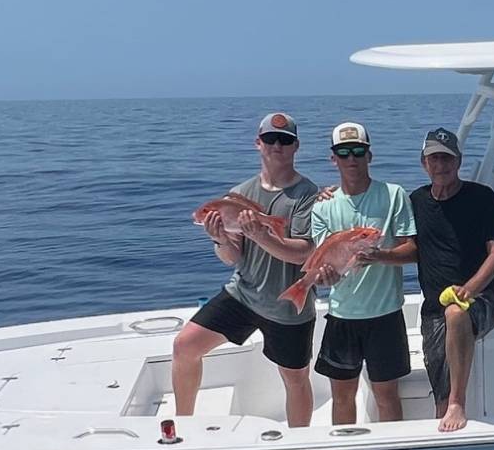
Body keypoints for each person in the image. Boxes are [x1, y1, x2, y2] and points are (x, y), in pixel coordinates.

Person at [172, 112, 320, 428]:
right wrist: (219, 238)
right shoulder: (238, 194)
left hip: (288, 305)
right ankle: (183, 425)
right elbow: (232, 258)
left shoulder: (307, 195)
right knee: (184, 346)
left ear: (296, 147)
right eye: (270, 139)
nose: (277, 145)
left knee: (295, 377)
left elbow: (303, 253)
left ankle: (298, 442)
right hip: (243, 294)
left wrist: (262, 235)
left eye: (285, 140)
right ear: (258, 144)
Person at [309, 121, 416, 425]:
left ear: (370, 155)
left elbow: (413, 251)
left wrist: (381, 256)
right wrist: (324, 277)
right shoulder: (322, 207)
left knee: (387, 396)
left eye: (358, 151)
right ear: (333, 159)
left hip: (386, 316)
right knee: (342, 397)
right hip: (342, 316)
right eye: (344, 153)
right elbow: (324, 261)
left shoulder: (394, 195)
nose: (351, 158)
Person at [407, 127, 494, 432]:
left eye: (447, 158)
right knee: (439, 390)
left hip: (482, 299)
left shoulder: (482, 197)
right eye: (434, 158)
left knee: (456, 312)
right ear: (424, 163)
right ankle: (446, 413)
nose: (441, 165)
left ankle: (458, 403)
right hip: (433, 307)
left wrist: (470, 289)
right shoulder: (417, 201)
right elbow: (410, 249)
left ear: (459, 161)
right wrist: (377, 257)